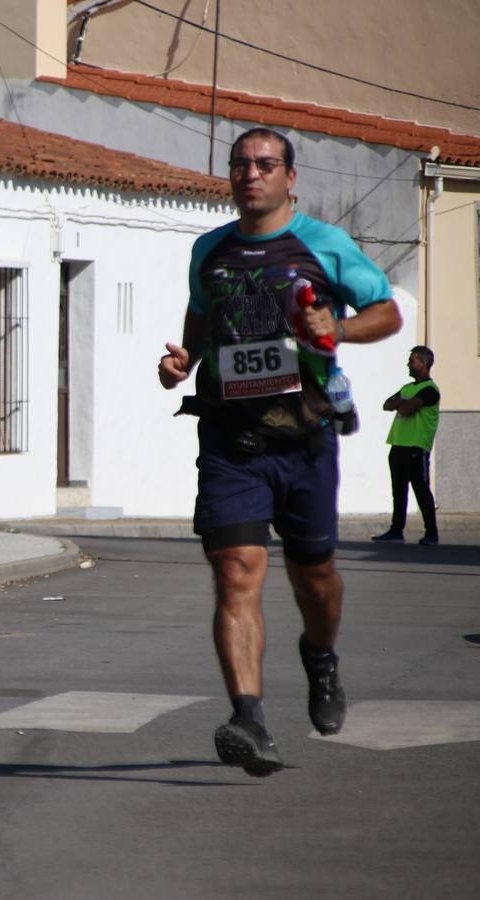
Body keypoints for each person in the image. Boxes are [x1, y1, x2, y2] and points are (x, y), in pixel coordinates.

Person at [157, 128, 402, 776]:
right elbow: (200, 322)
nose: (251, 174)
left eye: (265, 165)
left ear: (290, 178)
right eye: (240, 165)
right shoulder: (210, 251)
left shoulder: (324, 245)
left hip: (305, 440)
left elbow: (388, 312)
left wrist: (339, 326)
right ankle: (249, 719)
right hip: (230, 441)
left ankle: (321, 659)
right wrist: (183, 362)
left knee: (314, 579)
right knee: (236, 570)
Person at [372, 346, 440, 545]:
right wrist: (402, 402)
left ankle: (431, 533)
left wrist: (401, 403)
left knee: (421, 490)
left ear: (424, 363)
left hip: (416, 447)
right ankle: (396, 531)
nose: (408, 364)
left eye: (412, 360)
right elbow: (387, 404)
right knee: (398, 491)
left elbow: (407, 409)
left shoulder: (430, 390)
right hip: (398, 446)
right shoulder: (407, 388)